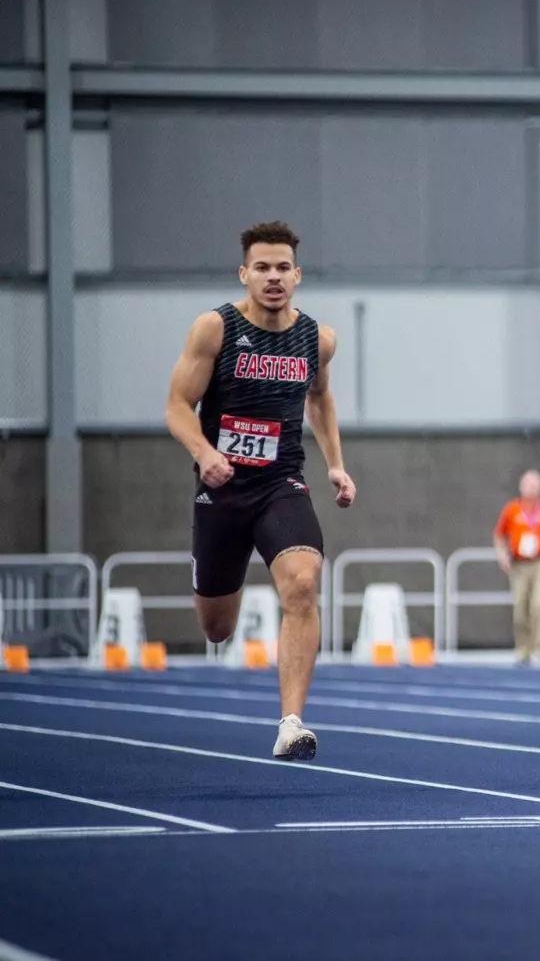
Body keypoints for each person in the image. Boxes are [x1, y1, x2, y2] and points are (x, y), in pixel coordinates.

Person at [163, 221, 355, 761]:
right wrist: (205, 454)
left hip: (280, 483)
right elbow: (177, 406)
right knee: (218, 627)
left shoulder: (317, 339)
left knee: (302, 583)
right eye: (262, 268)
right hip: (221, 489)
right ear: (244, 273)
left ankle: (291, 724)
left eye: (283, 268)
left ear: (298, 275)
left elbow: (320, 399)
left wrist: (336, 466)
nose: (273, 277)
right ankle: (220, 572)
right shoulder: (214, 329)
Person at [493, 470, 540, 665]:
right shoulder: (512, 510)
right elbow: (499, 535)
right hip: (519, 564)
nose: (531, 489)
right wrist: (502, 555)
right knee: (520, 606)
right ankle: (523, 649)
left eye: (535, 485)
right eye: (528, 485)